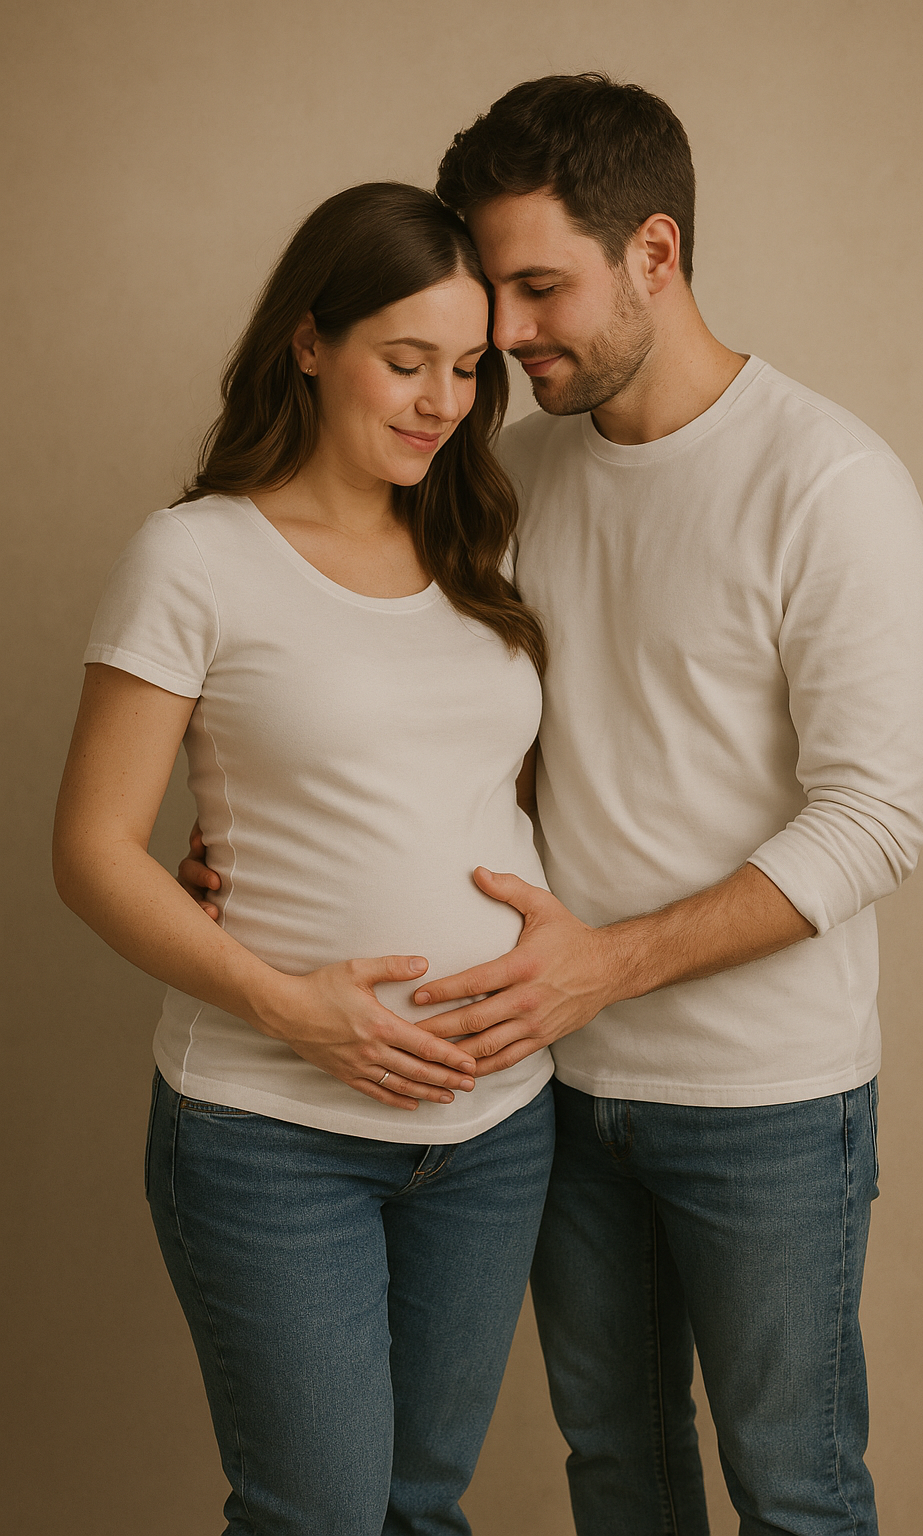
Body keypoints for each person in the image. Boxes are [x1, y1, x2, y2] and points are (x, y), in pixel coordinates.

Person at [407, 75, 923, 1535]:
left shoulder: (829, 479)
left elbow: (875, 819)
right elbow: (455, 732)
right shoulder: (518, 473)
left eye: (541, 287)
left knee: (796, 1494)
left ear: (655, 250)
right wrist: (245, 849)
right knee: (621, 1475)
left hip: (772, 1101)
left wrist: (606, 968)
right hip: (560, 1094)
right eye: (494, 291)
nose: (508, 333)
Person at [52, 182, 557, 1536]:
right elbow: (90, 852)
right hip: (274, 1130)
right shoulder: (195, 557)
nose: (442, 402)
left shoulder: (476, 542)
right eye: (407, 361)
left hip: (497, 1124)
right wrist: (290, 1005)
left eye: (468, 368)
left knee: (421, 1507)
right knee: (317, 1517)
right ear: (311, 341)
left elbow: (454, 796)